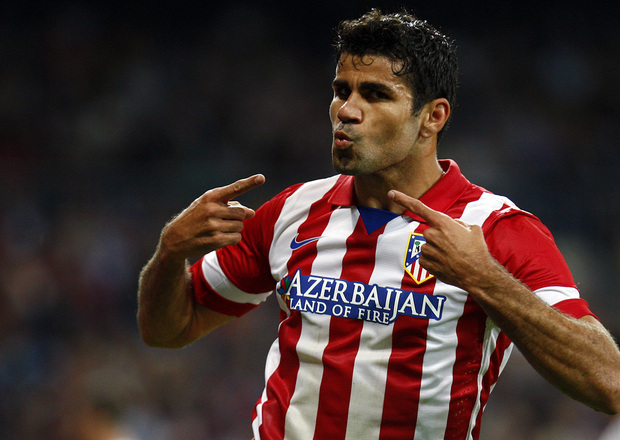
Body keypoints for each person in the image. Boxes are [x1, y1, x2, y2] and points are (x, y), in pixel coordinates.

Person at [137, 9, 620, 440]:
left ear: (432, 117)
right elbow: (169, 329)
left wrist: (485, 279)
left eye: (375, 94)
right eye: (340, 91)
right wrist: (171, 251)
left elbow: (609, 383)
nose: (347, 111)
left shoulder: (495, 230)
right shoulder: (293, 211)